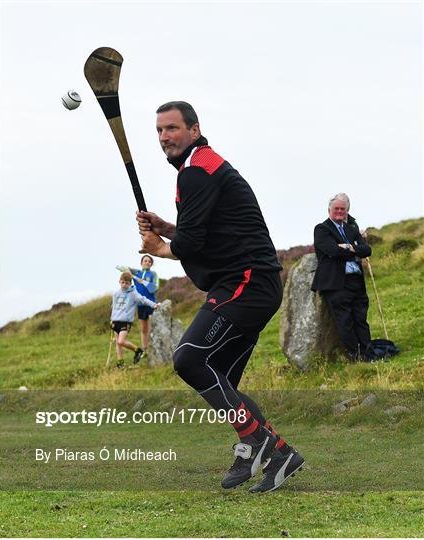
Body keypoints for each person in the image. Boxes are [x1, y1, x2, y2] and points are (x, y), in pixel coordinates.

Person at [136, 101, 304, 493]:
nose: (164, 137)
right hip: (251, 283)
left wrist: (160, 248)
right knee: (223, 377)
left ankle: (256, 440)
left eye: (173, 128)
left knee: (190, 359)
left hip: (245, 282)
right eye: (159, 130)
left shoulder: (197, 171)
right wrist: (169, 228)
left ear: (194, 130)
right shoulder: (202, 167)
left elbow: (193, 242)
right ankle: (279, 454)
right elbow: (206, 232)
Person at [311, 193, 372, 360]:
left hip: (356, 281)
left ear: (347, 211)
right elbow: (332, 251)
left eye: (343, 209)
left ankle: (368, 354)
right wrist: (355, 250)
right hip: (336, 283)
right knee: (345, 322)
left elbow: (367, 250)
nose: (339, 212)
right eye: (336, 209)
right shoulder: (322, 229)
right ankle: (355, 356)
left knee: (361, 319)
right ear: (329, 210)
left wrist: (348, 247)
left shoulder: (351, 229)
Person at [111, 271, 159, 368]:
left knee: (121, 341)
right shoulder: (116, 293)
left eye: (127, 283)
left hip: (126, 321)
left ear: (130, 283)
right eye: (122, 282)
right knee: (118, 344)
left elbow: (143, 299)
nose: (124, 285)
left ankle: (138, 351)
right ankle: (120, 363)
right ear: (119, 282)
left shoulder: (133, 293)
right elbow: (114, 307)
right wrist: (111, 320)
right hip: (115, 320)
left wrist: (154, 305)